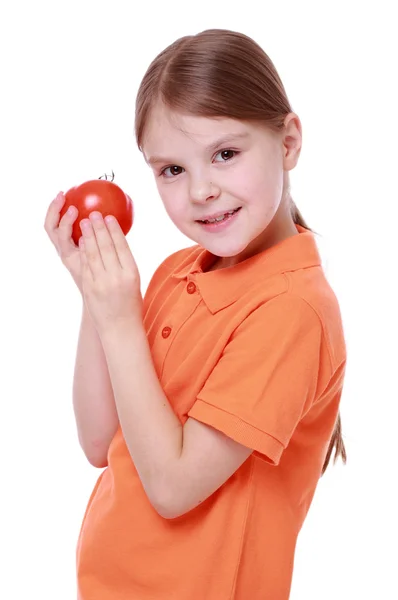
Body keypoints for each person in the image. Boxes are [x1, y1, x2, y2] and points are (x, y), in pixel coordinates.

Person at [44, 28, 347, 600]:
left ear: (287, 142)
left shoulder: (293, 309)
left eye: (225, 154)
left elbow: (173, 486)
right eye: (171, 170)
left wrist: (118, 321)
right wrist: (97, 293)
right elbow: (99, 440)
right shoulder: (176, 272)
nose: (201, 190)